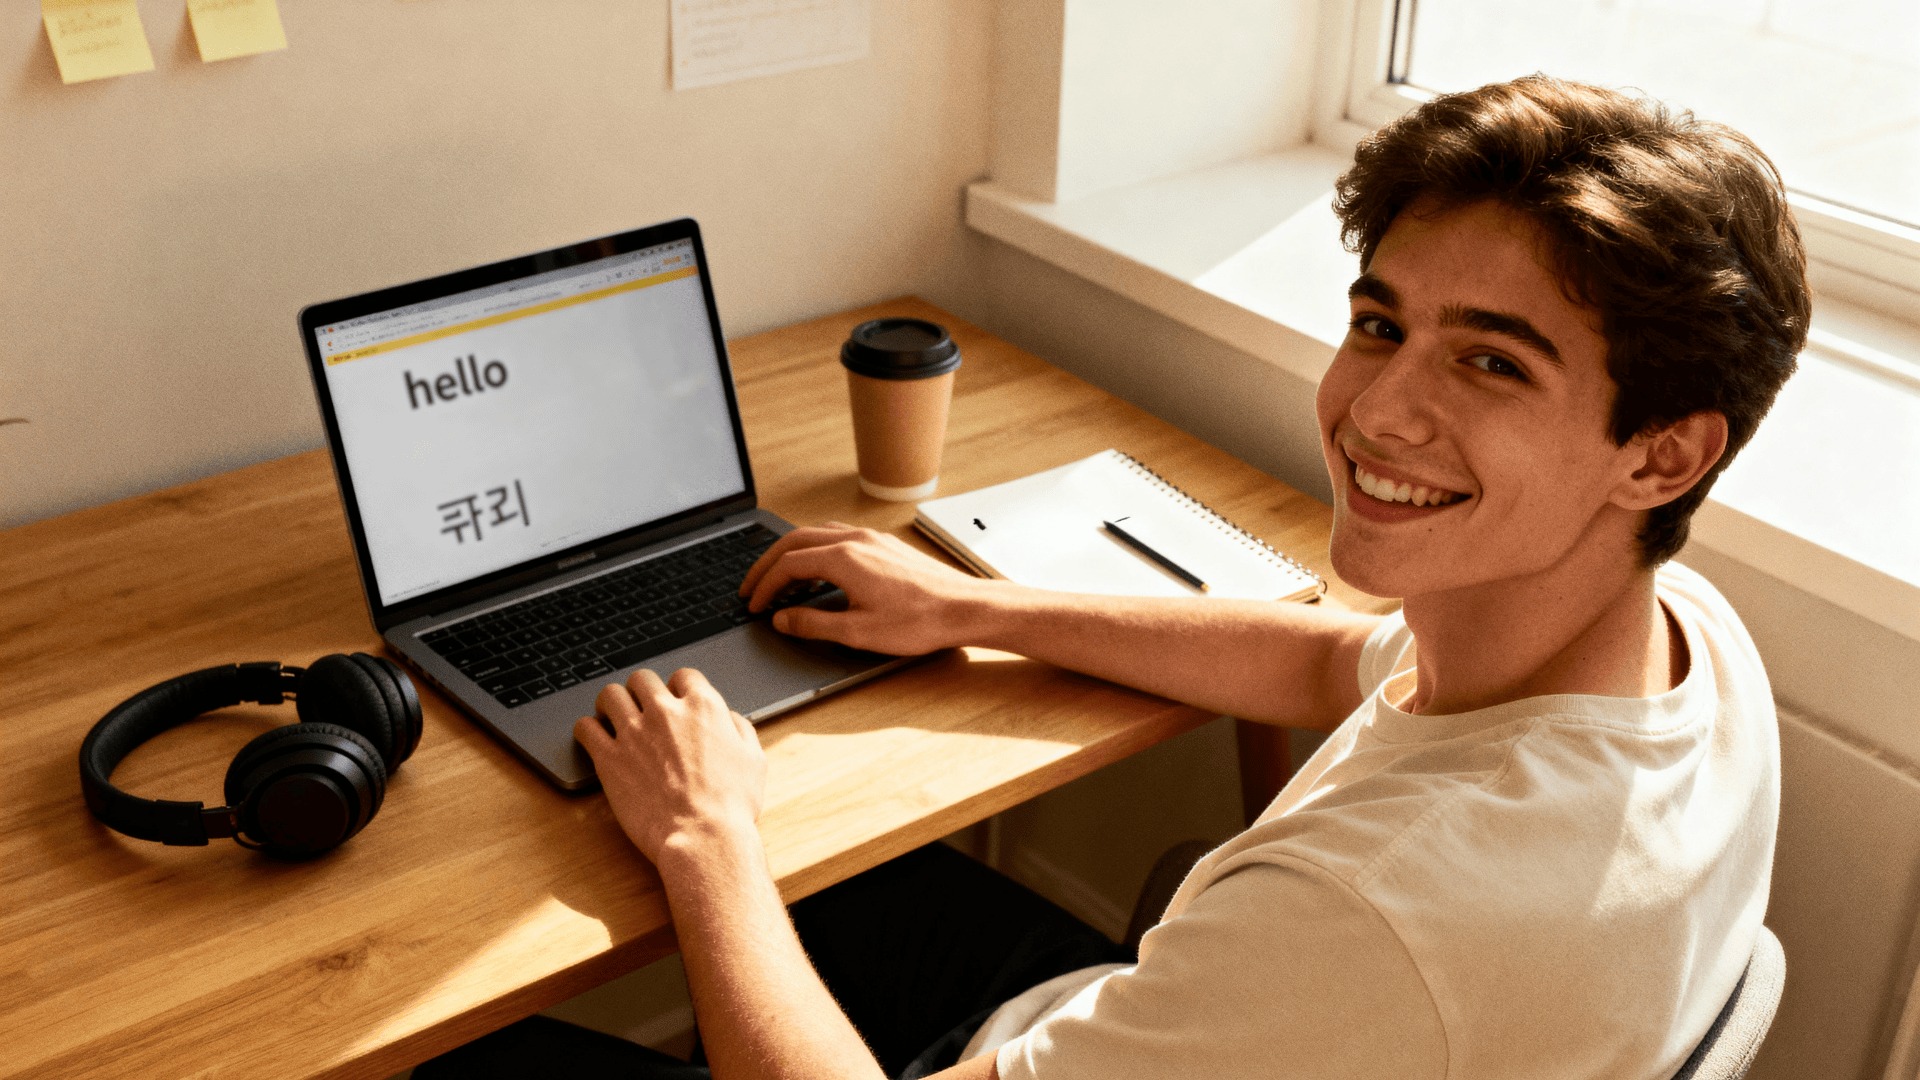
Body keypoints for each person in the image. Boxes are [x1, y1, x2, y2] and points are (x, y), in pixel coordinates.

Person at [418, 74, 1806, 1079]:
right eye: (1380, 325)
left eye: (1493, 362)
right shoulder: (1681, 638)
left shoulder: (1382, 914)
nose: (1378, 413)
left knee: (469, 1051)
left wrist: (705, 840)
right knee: (843, 882)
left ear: (1662, 453)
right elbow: (1334, 659)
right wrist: (970, 608)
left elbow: (1357, 923)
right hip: (1176, 1028)